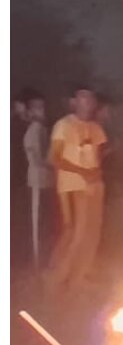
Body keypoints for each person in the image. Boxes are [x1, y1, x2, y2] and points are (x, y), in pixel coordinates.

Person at [46, 85, 107, 291]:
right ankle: (56, 277)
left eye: (91, 98)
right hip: (73, 185)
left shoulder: (96, 128)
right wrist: (82, 172)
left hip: (94, 185)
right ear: (73, 102)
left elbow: (97, 158)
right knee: (75, 233)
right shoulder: (63, 125)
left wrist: (95, 174)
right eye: (83, 98)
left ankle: (80, 277)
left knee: (92, 233)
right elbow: (54, 158)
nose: (88, 102)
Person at [22, 92, 53, 268]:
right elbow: (37, 159)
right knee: (36, 224)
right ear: (31, 111)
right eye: (38, 108)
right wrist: (54, 163)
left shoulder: (42, 129)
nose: (43, 111)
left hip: (45, 182)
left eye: (43, 107)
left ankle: (43, 258)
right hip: (37, 182)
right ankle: (36, 261)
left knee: (43, 222)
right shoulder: (32, 131)